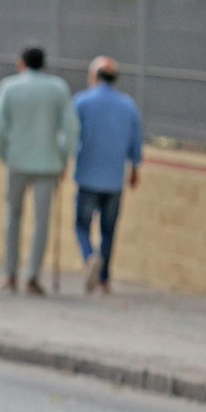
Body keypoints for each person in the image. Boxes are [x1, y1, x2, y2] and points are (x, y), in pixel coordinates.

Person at [0, 45, 78, 295]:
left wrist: (5, 154)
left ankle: (10, 274)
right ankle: (33, 276)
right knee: (42, 221)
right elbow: (70, 129)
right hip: (48, 163)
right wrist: (63, 158)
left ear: (22, 63)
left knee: (13, 218)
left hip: (17, 161)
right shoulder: (58, 88)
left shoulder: (9, 86)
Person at [71, 56, 142, 295]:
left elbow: (71, 136)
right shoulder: (128, 105)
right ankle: (104, 280)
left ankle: (90, 257)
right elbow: (135, 142)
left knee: (82, 225)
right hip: (114, 179)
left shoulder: (81, 102)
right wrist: (135, 169)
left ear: (94, 76)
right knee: (108, 231)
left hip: (88, 176)